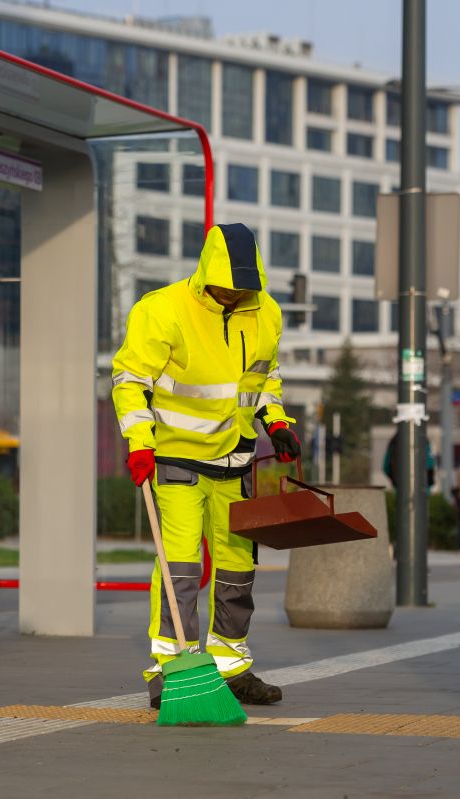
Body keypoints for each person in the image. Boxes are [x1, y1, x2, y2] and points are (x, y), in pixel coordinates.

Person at [111, 222, 300, 710]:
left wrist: (276, 422)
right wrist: (139, 443)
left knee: (238, 566)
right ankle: (171, 671)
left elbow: (265, 377)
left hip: (235, 460)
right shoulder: (162, 310)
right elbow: (130, 380)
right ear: (207, 271)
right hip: (177, 458)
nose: (235, 294)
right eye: (226, 286)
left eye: (243, 287)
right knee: (180, 566)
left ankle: (231, 667)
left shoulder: (266, 311)